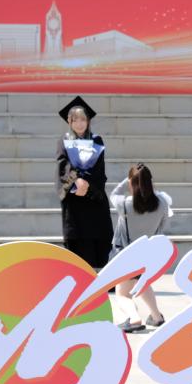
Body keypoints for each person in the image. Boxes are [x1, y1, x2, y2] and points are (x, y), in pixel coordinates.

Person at [109, 163, 171, 333]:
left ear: (131, 182)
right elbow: (161, 227)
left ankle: (134, 319)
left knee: (122, 294)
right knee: (142, 284)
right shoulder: (163, 203)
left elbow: (113, 194)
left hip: (126, 254)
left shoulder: (124, 204)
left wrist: (128, 179)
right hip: (148, 254)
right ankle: (157, 317)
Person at [55, 96, 114, 273]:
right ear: (69, 121)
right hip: (74, 203)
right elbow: (63, 166)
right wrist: (76, 181)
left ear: (88, 121)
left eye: (83, 119)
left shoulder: (97, 141)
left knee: (100, 243)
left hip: (94, 200)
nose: (79, 124)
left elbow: (99, 170)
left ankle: (102, 280)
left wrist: (87, 186)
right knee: (78, 246)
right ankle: (81, 280)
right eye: (75, 120)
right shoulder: (64, 141)